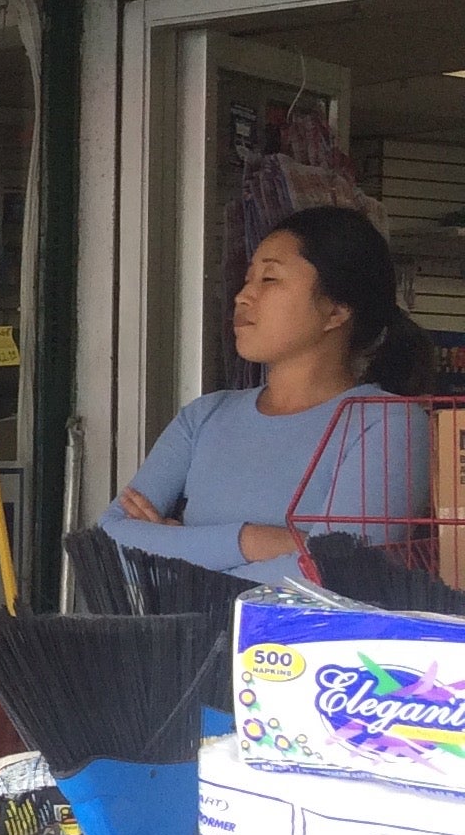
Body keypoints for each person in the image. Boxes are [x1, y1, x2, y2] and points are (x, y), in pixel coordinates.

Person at [98, 203, 433, 583]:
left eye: (269, 280)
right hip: (181, 644)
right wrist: (251, 540)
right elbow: (108, 542)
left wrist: (177, 548)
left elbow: (338, 572)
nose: (243, 296)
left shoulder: (387, 424)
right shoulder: (204, 416)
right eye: (248, 279)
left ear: (336, 311)